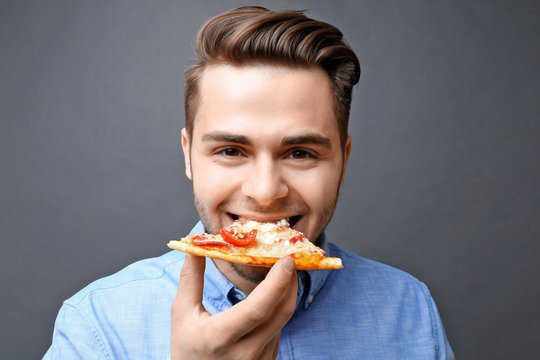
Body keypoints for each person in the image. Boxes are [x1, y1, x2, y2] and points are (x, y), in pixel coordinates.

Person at [44, 6, 454, 359]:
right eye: (231, 151)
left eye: (300, 153)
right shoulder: (97, 324)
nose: (264, 192)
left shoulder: (409, 310)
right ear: (188, 155)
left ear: (343, 162)